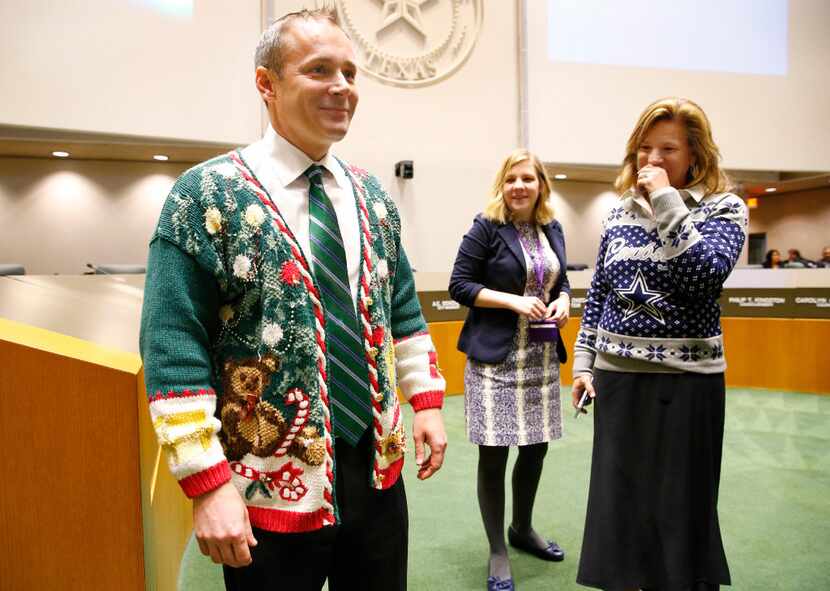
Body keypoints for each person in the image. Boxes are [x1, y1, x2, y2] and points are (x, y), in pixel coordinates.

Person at [139, 9, 447, 591]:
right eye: (319, 70)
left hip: (375, 470)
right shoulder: (204, 195)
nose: (342, 87)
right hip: (263, 485)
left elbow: (400, 304)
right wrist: (207, 485)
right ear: (267, 84)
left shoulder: (372, 195)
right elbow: (173, 343)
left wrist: (425, 400)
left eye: (351, 73)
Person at [571, 98, 747, 591]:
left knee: (680, 509)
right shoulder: (618, 215)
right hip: (618, 379)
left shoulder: (724, 209)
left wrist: (668, 201)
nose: (652, 160)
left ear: (695, 154)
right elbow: (601, 293)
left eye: (667, 148)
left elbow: (703, 276)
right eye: (644, 149)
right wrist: (585, 363)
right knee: (620, 510)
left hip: (688, 384)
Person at [449, 149, 571, 591]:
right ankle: (498, 549)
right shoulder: (487, 227)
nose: (519, 186)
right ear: (502, 185)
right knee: (495, 454)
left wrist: (565, 300)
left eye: (528, 178)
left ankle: (523, 529)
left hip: (539, 358)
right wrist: (512, 300)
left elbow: (563, 280)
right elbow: (459, 284)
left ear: (541, 185)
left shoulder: (552, 228)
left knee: (535, 449)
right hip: (494, 361)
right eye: (511, 179)